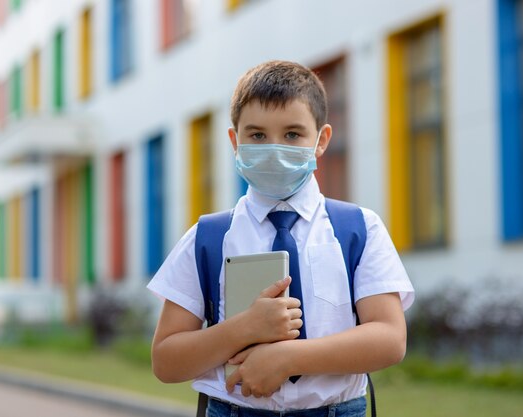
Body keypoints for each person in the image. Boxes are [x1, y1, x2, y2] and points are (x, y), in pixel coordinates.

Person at [147, 60, 414, 416]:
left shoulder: (359, 228)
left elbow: (389, 339)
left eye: (292, 134)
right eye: (257, 135)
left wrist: (286, 358)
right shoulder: (208, 237)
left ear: (321, 140)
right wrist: (244, 328)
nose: (274, 148)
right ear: (234, 141)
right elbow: (166, 361)